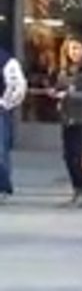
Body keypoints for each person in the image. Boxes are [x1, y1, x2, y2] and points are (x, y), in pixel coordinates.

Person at [51, 34, 82, 207]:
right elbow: (60, 88)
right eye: (71, 49)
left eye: (78, 48)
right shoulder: (64, 70)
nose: (74, 52)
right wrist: (56, 94)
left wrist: (68, 94)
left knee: (78, 156)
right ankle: (76, 190)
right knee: (68, 156)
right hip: (67, 118)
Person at [0, 47, 27, 202]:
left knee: (0, 152)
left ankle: (2, 187)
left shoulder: (5, 59)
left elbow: (18, 85)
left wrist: (4, 104)